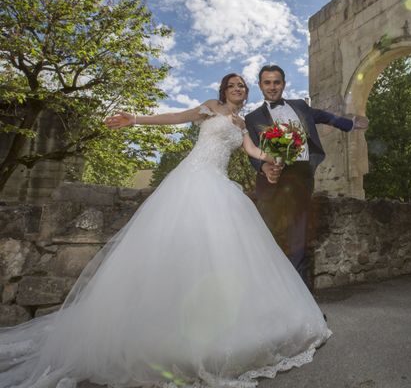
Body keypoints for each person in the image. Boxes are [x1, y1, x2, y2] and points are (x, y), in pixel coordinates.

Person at [0, 74, 331, 388]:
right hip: (193, 180)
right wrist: (136, 120)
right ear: (223, 90)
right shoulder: (208, 109)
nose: (238, 89)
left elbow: (252, 151)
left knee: (222, 253)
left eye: (242, 86)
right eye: (233, 85)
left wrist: (275, 158)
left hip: (221, 185)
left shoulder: (243, 125)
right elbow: (175, 117)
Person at [244, 65, 368, 287]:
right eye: (267, 82)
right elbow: (252, 149)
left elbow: (321, 115)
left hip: (300, 175)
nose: (272, 87)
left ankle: (302, 302)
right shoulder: (252, 118)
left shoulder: (300, 106)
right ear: (261, 86)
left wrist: (348, 123)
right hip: (271, 180)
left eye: (277, 82)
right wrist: (264, 168)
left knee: (298, 239)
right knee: (266, 238)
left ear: (283, 83)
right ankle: (266, 294)